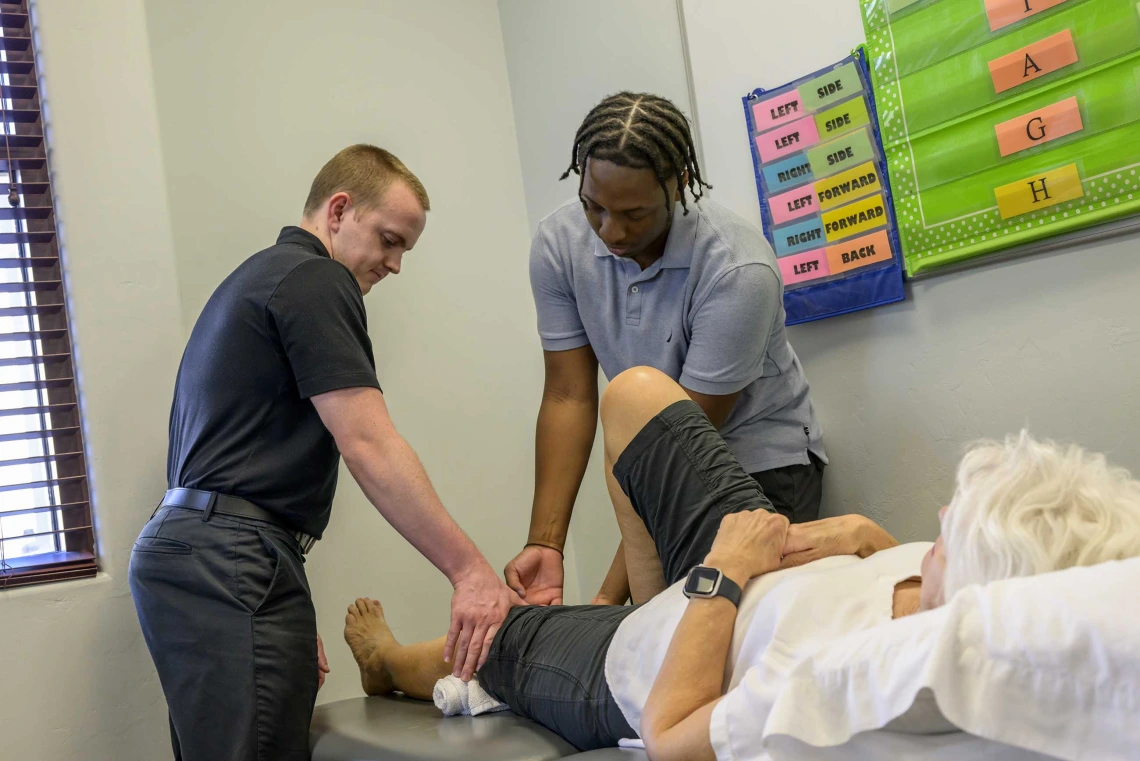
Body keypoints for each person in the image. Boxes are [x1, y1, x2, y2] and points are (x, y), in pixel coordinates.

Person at [342, 366, 1140, 756]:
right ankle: (647, 600)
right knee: (637, 393)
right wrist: (857, 532)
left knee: (505, 638)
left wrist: (721, 577)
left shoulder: (851, 675)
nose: (935, 522)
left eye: (948, 534)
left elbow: (671, 737)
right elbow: (890, 554)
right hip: (756, 558)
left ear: (975, 589)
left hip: (666, 651)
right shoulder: (939, 589)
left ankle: (390, 663)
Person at [128, 145, 515, 761]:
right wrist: (470, 571)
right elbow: (368, 443)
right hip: (228, 558)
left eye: (404, 250)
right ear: (339, 210)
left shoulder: (258, 279)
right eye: (389, 240)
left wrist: (277, 594)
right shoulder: (315, 278)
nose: (393, 264)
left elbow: (233, 467)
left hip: (197, 551)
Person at [505, 92, 827, 610]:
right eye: (594, 207)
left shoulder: (737, 271)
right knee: (646, 632)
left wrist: (610, 597)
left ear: (678, 182)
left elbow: (679, 450)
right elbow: (568, 395)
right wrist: (546, 542)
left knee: (728, 640)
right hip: (656, 453)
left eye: (634, 213)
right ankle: (389, 662)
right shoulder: (558, 243)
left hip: (756, 466)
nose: (610, 231)